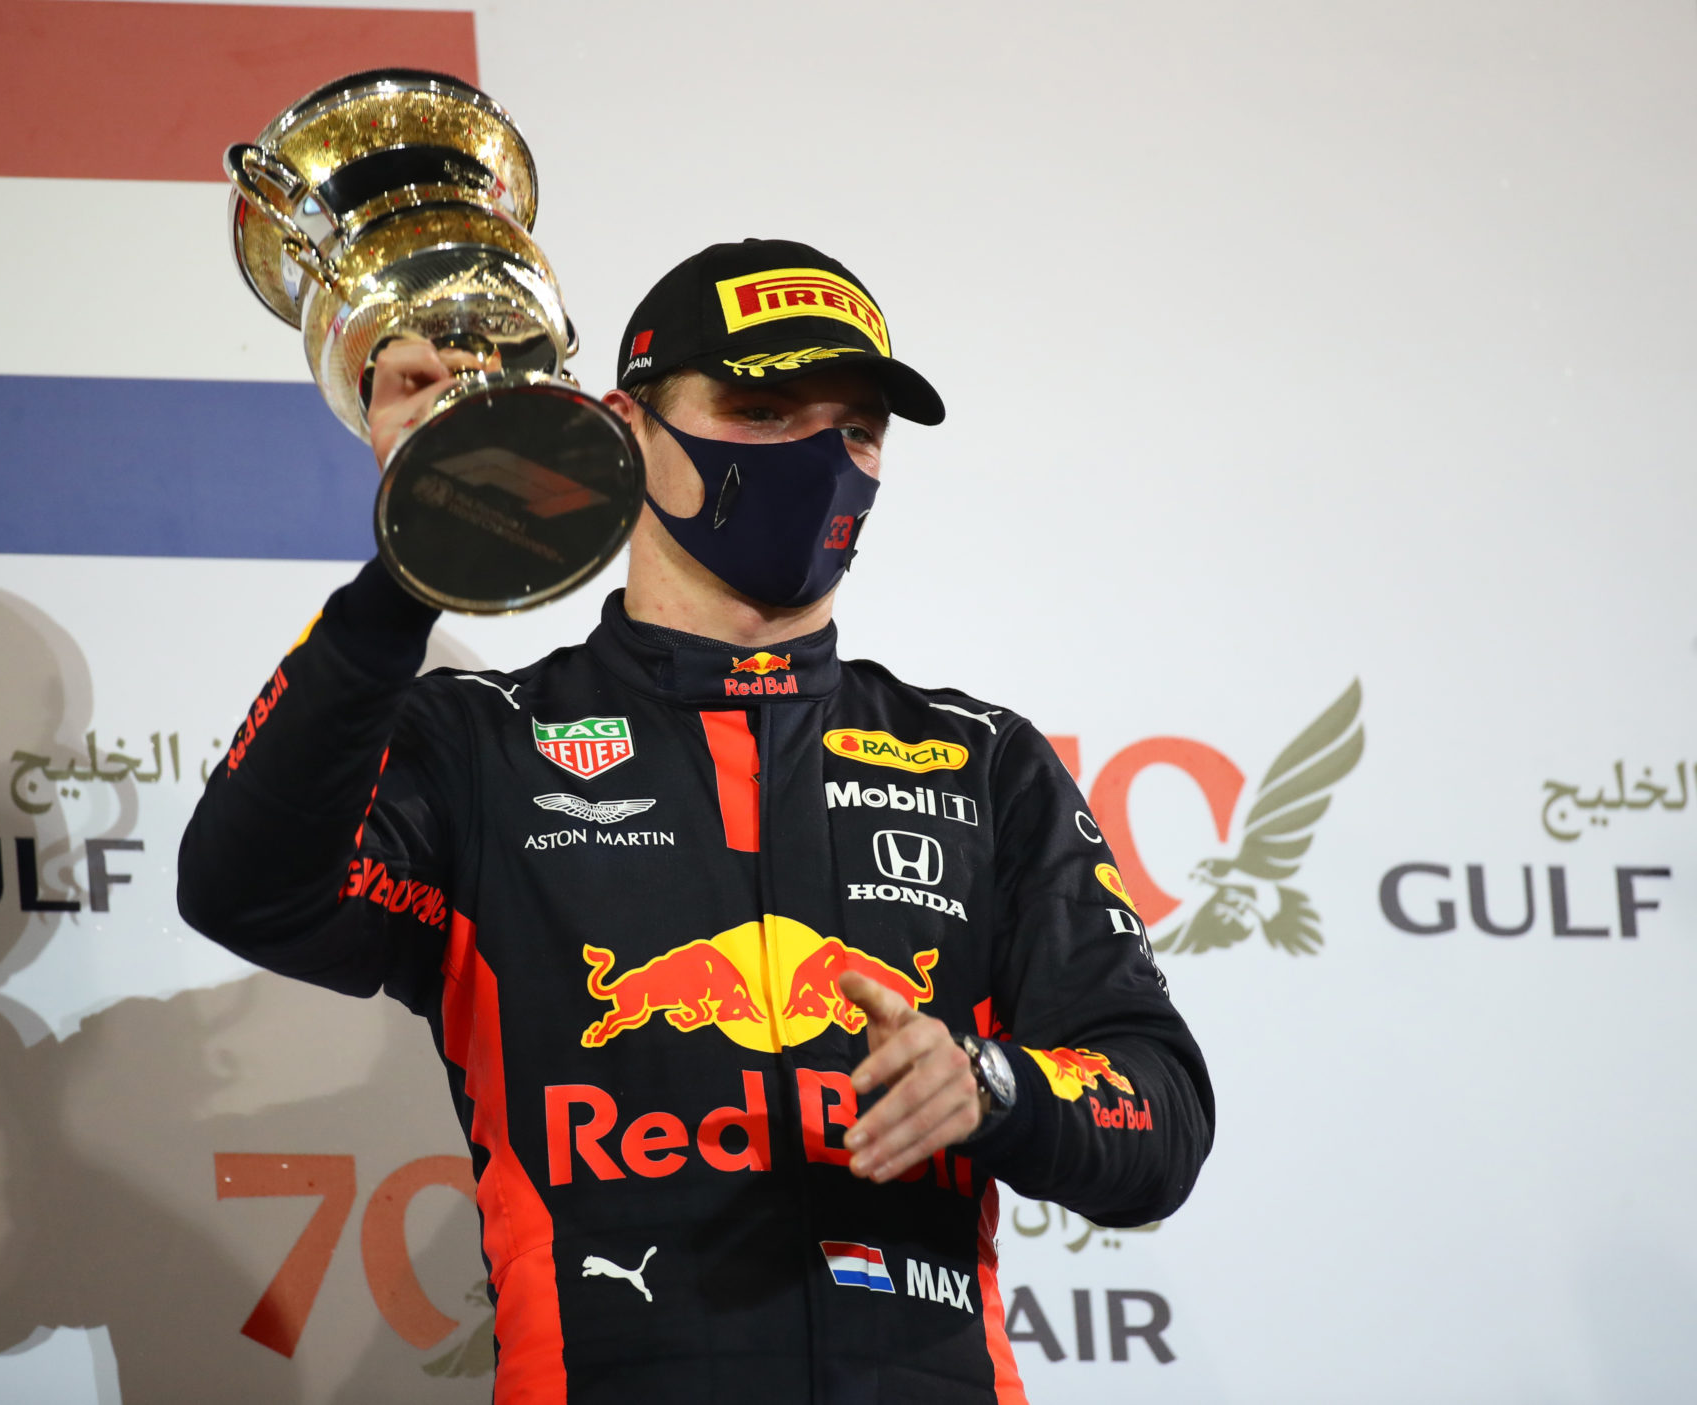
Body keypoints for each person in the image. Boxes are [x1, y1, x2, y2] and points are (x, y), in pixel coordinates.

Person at [178, 237, 1215, 1403]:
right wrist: (417, 564)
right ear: (627, 427)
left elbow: (1161, 1114)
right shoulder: (481, 742)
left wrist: (992, 1087)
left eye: (859, 426)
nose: (823, 457)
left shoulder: (981, 766)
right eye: (763, 408)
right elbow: (247, 889)